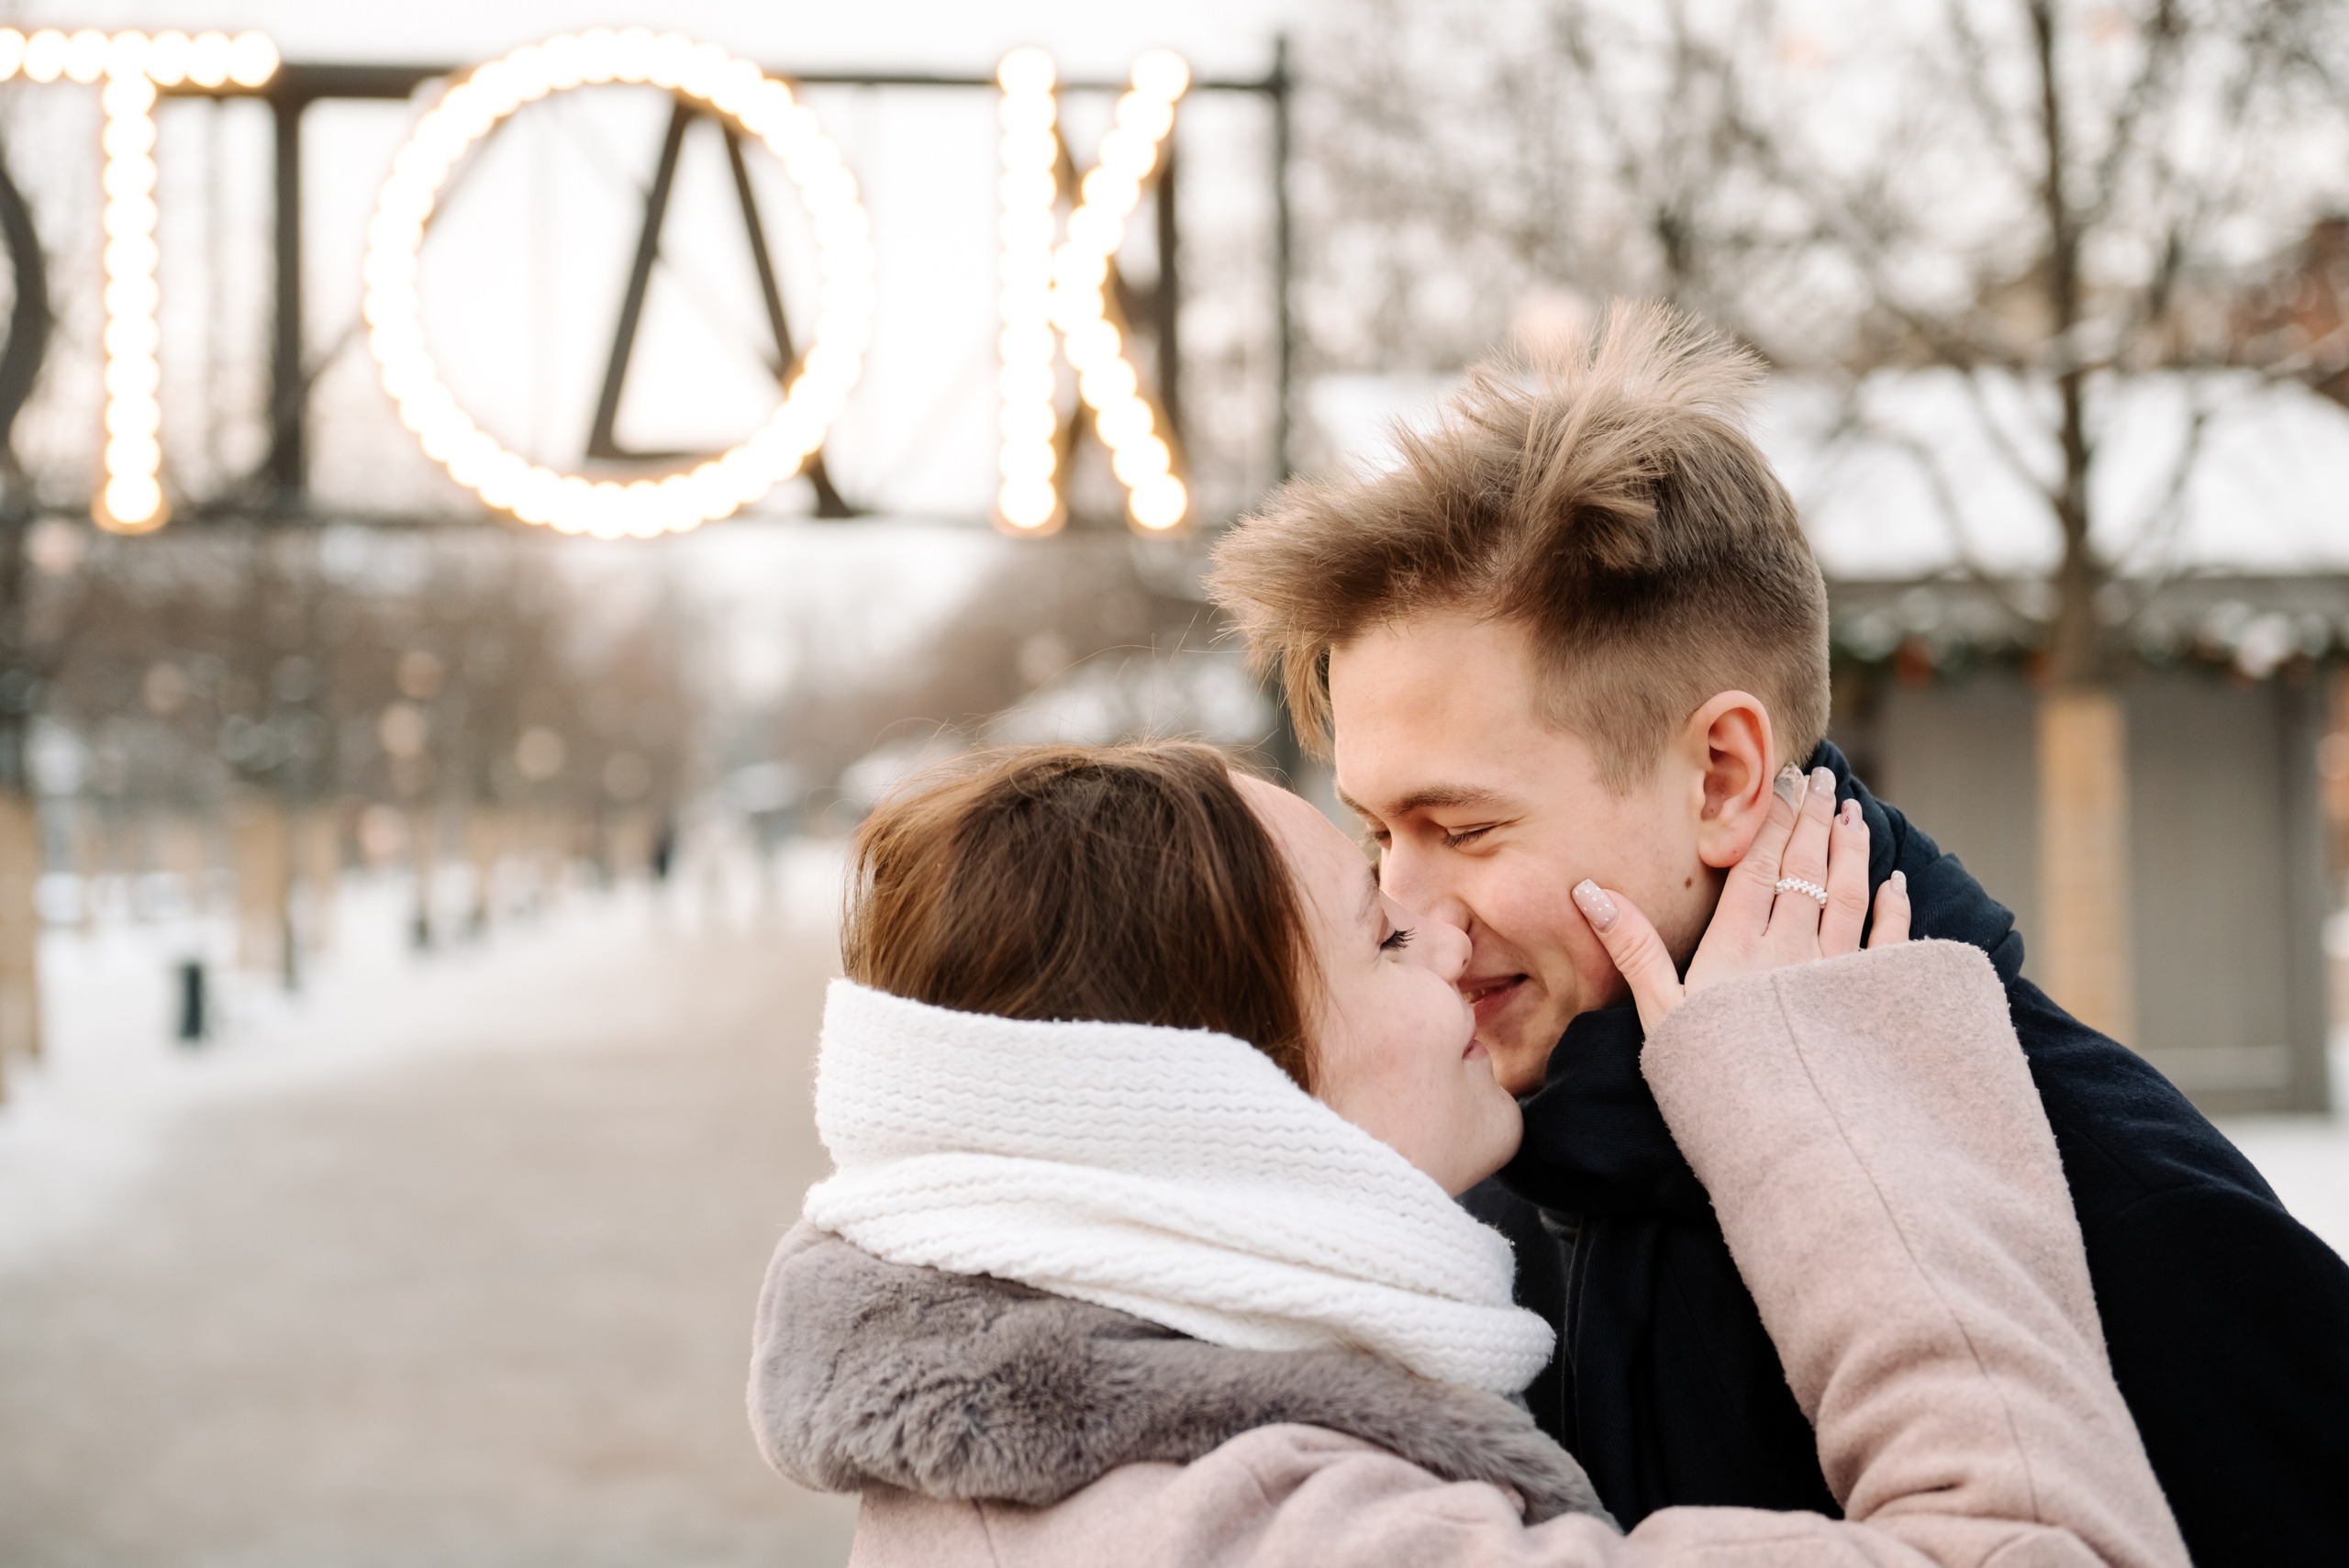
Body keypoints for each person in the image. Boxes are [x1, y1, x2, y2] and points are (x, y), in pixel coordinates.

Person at [1206, 300, 2349, 1564]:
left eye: (1464, 829)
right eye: (1376, 833)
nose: (1405, 911)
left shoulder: (2114, 1199)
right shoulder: (1467, 1161)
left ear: (1722, 777)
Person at [751, 742, 2188, 1567]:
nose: (1447, 933)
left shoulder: (1037, 1467)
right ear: (1206, 1097)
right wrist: (1819, 1115)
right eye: (1378, 931)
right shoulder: (1276, 1538)